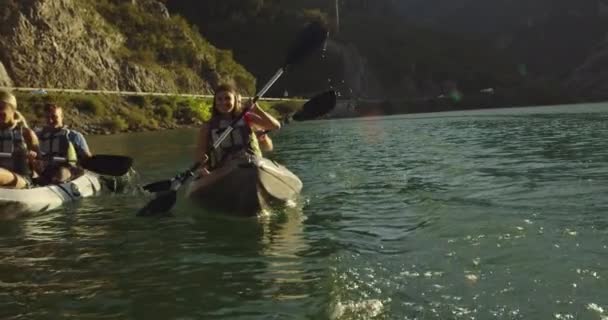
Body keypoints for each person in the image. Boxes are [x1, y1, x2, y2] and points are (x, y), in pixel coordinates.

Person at [196, 83, 281, 171]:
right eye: (219, 99)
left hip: (252, 164)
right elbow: (200, 152)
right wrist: (203, 168)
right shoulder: (208, 126)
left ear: (235, 101)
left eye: (228, 98)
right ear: (215, 102)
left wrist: (257, 110)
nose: (223, 102)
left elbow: (275, 126)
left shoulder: (247, 117)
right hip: (225, 169)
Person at [36, 103, 92, 184]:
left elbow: (88, 159)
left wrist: (79, 161)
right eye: (47, 117)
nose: (50, 120)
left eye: (54, 117)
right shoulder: (38, 136)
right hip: (47, 170)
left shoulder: (74, 136)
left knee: (61, 172)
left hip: (68, 169)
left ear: (62, 117)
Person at [0, 90, 40, 189]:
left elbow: (40, 168)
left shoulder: (27, 134)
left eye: (1, 109)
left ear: (13, 110)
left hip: (22, 181)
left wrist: (33, 161)